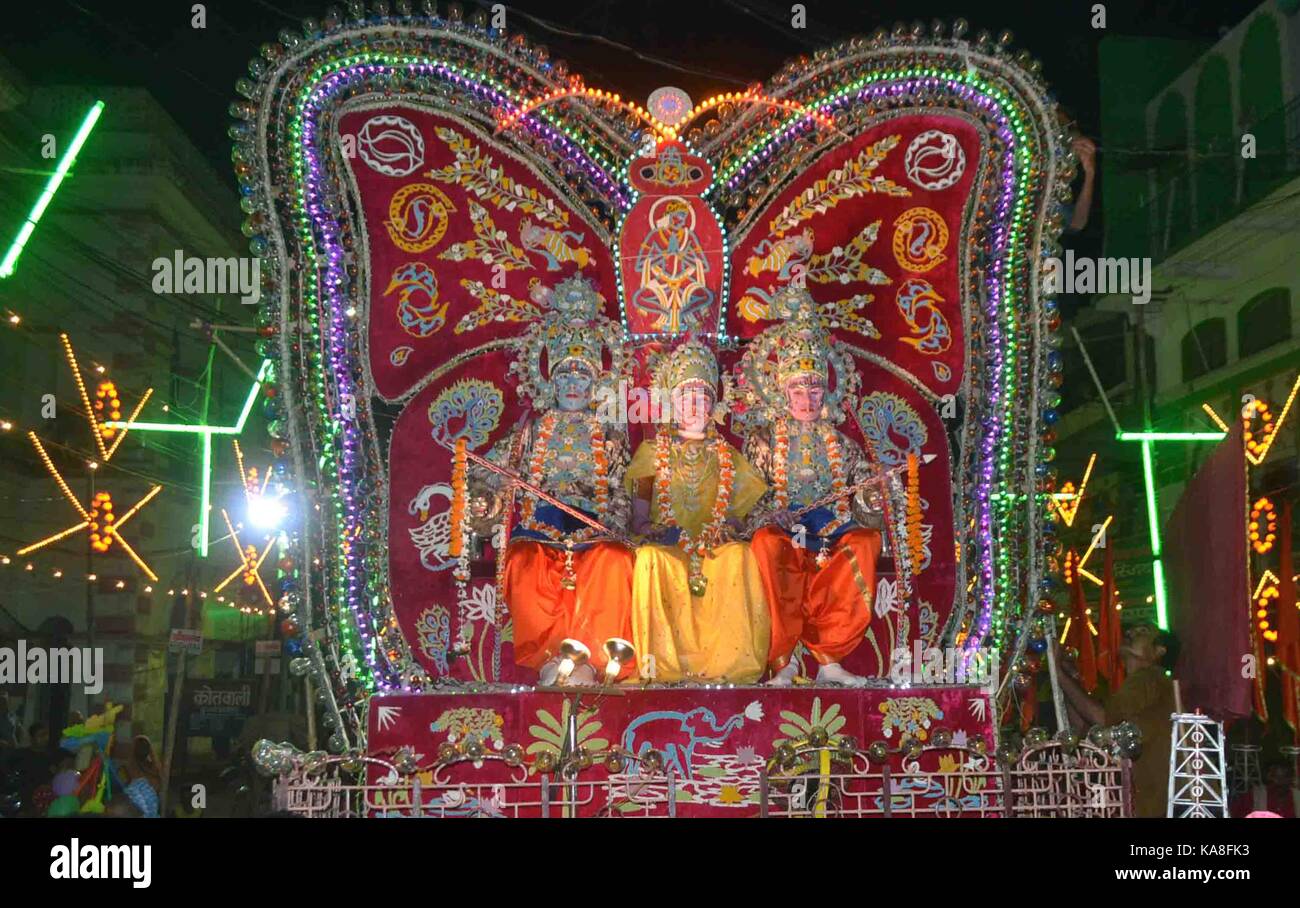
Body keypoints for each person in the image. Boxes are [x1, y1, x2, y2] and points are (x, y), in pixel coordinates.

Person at [469, 275, 635, 685]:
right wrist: (489, 492)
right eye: (566, 375)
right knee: (525, 562)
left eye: (582, 375)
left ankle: (595, 661)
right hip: (541, 524)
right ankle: (551, 659)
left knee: (613, 561)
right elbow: (484, 472)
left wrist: (612, 521)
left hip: (594, 525)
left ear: (596, 382)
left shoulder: (610, 430)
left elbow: (626, 487)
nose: (574, 383)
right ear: (551, 380)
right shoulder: (531, 428)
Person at [739, 289, 885, 686]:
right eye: (798, 390)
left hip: (830, 530)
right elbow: (745, 496)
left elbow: (864, 504)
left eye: (815, 390)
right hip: (785, 530)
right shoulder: (763, 439)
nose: (807, 399)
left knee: (866, 543)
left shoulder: (844, 445)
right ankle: (783, 660)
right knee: (767, 544)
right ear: (783, 391)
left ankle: (828, 656)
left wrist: (872, 495)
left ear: (827, 392)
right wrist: (771, 512)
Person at [625, 338, 771, 683]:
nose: (694, 407)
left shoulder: (729, 456)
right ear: (672, 404)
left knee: (740, 555)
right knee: (649, 559)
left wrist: (732, 527)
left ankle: (728, 667)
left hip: (715, 545)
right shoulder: (651, 452)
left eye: (702, 398)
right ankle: (662, 667)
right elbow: (639, 516)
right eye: (685, 398)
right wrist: (647, 528)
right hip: (669, 543)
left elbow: (744, 516)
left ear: (713, 405)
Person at [1057, 622, 1178, 817]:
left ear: (1159, 651)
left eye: (1142, 631)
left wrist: (1061, 676)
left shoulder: (1148, 679)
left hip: (1152, 801)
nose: (1130, 632)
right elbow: (1083, 727)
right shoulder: (1141, 686)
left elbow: (1104, 720)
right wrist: (1071, 682)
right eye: (1132, 630)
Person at [119, 735, 161, 818]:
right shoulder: (154, 770)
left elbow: (127, 760)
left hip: (138, 807)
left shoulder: (131, 769)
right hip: (148, 806)